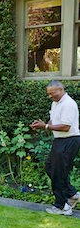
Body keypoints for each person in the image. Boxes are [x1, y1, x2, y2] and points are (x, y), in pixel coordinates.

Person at [30, 80, 80, 216]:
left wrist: (45, 127)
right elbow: (54, 121)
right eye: (49, 94)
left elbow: (66, 126)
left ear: (61, 90)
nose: (50, 97)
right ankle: (72, 194)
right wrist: (43, 124)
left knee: (58, 172)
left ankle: (62, 206)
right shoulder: (56, 103)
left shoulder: (69, 104)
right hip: (60, 140)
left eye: (53, 93)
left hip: (69, 140)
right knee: (50, 167)